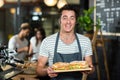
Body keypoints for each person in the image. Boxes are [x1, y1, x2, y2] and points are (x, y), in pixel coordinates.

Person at [36, 4, 94, 80]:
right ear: (59, 20)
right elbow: (38, 69)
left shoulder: (85, 41)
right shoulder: (47, 42)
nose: (68, 22)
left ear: (76, 21)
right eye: (65, 18)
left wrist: (89, 70)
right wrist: (47, 71)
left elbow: (90, 67)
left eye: (72, 18)